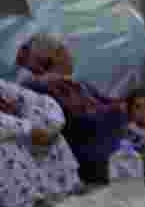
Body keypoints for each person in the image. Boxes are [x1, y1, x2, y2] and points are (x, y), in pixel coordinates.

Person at [15, 33, 130, 185]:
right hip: (88, 160)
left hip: (107, 154)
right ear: (54, 56)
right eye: (66, 51)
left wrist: (126, 104)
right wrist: (115, 111)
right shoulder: (42, 88)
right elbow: (78, 123)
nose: (71, 56)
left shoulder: (75, 84)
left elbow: (107, 101)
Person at [0, 78, 82, 207]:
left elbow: (37, 99)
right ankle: (24, 201)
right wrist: (30, 130)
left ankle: (66, 186)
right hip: (8, 134)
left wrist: (52, 123)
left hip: (17, 129)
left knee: (45, 123)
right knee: (6, 146)